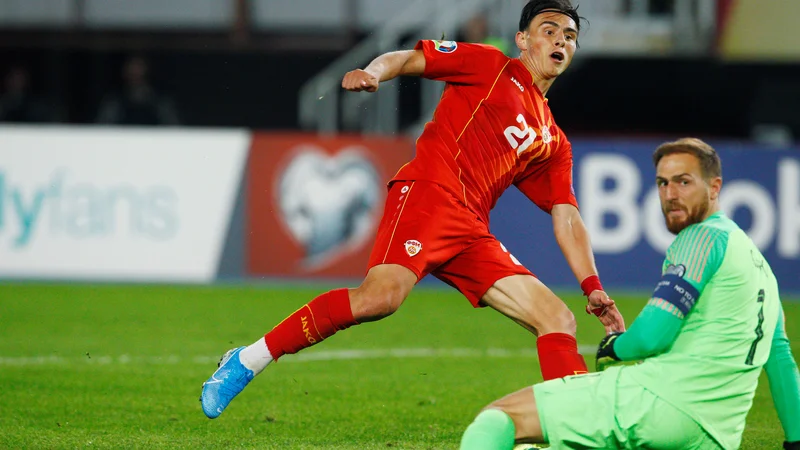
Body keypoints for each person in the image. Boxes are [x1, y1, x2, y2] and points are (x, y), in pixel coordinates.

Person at [200, 0, 626, 419]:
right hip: (429, 195)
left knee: (557, 318)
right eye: (548, 30)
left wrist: (592, 286)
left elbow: (566, 216)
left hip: (471, 229)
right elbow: (407, 58)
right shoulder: (491, 67)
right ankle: (247, 360)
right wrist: (373, 72)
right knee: (379, 299)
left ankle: (574, 426)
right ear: (523, 39)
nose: (560, 41)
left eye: (569, 36)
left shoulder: (553, 139)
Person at [459, 138, 800, 450]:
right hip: (717, 436)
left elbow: (651, 338)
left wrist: (614, 347)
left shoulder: (700, 238)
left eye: (684, 182)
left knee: (498, 418)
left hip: (660, 404)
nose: (670, 194)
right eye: (662, 183)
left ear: (715, 188)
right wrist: (794, 441)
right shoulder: (759, 267)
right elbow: (780, 361)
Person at [95, 56, 179, 126]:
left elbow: (175, 131)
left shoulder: (161, 104)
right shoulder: (114, 104)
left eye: (139, 70)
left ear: (147, 71)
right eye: (132, 71)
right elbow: (101, 130)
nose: (136, 74)